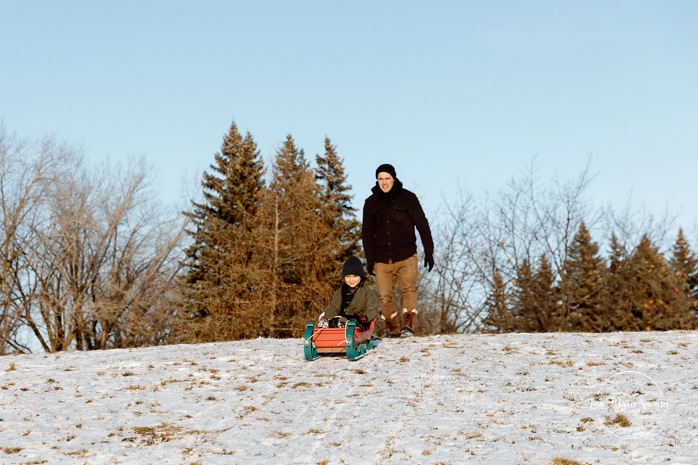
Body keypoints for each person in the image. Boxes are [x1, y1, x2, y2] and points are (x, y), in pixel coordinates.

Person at [362, 163, 434, 337]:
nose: (384, 182)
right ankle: (393, 328)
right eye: (380, 179)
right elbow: (367, 233)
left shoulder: (408, 198)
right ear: (377, 180)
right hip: (381, 258)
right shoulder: (371, 203)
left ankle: (408, 325)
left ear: (394, 179)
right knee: (384, 295)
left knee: (408, 289)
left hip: (406, 255)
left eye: (387, 178)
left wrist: (429, 251)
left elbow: (422, 225)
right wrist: (370, 259)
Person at [319, 256, 379, 330]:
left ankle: (343, 324)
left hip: (358, 323)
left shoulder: (367, 292)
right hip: (340, 321)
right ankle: (327, 325)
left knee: (352, 321)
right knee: (333, 320)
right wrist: (330, 318)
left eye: (355, 276)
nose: (351, 280)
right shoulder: (340, 292)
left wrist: (364, 317)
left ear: (360, 276)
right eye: (348, 276)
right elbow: (332, 308)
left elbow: (372, 310)